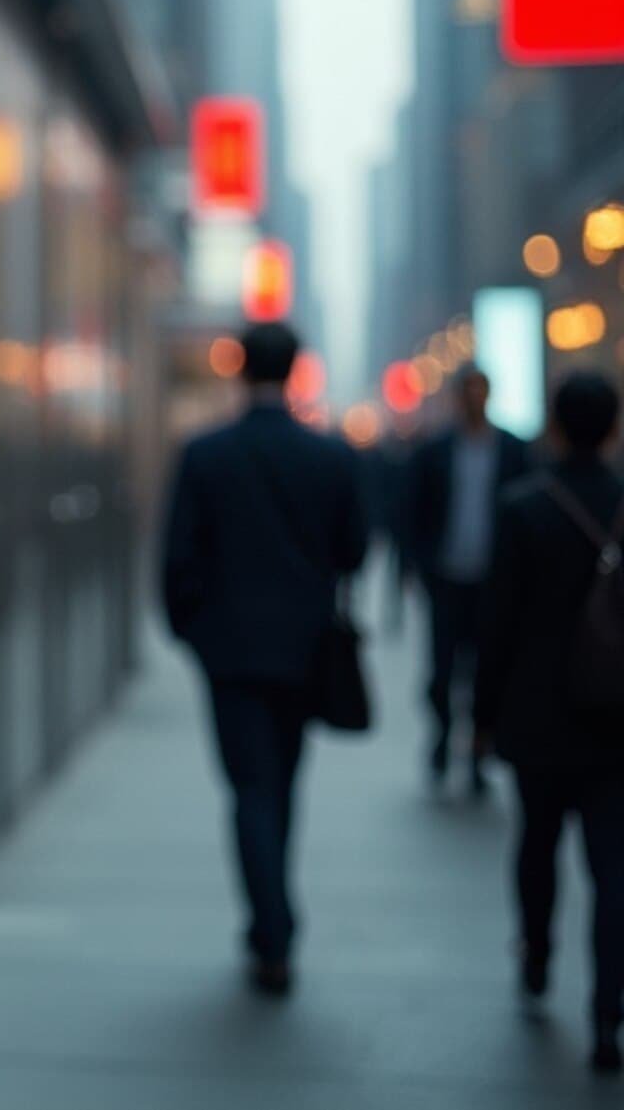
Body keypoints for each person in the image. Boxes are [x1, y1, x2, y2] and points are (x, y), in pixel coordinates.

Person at [162, 322, 369, 996]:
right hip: (303, 645)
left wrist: (194, 631)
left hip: (230, 650)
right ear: (294, 370)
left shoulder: (205, 454)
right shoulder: (330, 455)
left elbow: (177, 560)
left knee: (251, 787)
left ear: (240, 370)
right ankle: (273, 922)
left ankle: (271, 929)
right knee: (280, 782)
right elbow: (354, 551)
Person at [477, 372, 624, 1075]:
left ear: (558, 426)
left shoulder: (522, 508)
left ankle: (536, 953)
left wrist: (480, 716)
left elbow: (496, 626)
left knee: (536, 844)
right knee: (614, 871)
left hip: (539, 715)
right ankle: (607, 1011)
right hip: (617, 723)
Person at [406, 366, 530, 793]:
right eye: (468, 391)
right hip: (447, 578)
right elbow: (415, 511)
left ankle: (479, 749)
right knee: (442, 671)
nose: (474, 399)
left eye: (480, 391)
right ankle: (442, 737)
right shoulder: (436, 451)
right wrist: (419, 566)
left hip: (495, 584)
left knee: (486, 671)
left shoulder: (514, 451)